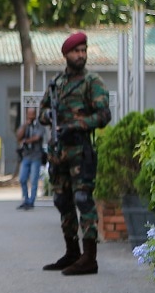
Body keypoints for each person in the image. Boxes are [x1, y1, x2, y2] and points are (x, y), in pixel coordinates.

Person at [39, 32, 110, 275]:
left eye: (83, 50)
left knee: (83, 200)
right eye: (76, 51)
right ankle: (72, 253)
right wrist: (48, 116)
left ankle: (90, 258)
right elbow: (42, 110)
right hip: (59, 152)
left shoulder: (92, 82)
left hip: (81, 150)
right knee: (62, 200)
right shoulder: (56, 83)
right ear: (66, 55)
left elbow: (103, 116)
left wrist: (75, 124)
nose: (80, 55)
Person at [14, 106, 46, 209]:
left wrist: (26, 141)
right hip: (26, 156)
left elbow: (38, 137)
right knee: (22, 178)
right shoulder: (25, 125)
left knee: (34, 180)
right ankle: (26, 199)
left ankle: (31, 201)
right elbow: (18, 136)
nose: (30, 116)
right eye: (29, 113)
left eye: (32, 114)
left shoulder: (39, 125)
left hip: (36, 156)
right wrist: (24, 126)